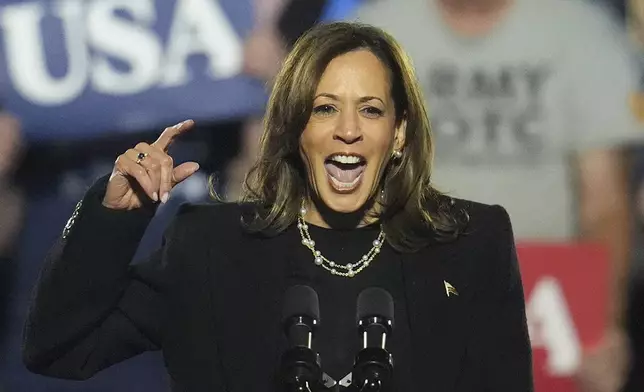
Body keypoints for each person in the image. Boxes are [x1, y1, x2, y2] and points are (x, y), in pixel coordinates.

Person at [22, 22, 533, 391]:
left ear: (398, 132)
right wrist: (114, 218)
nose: (348, 129)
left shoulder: (470, 243)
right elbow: (61, 348)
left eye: (371, 110)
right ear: (293, 128)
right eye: (324, 108)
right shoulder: (209, 247)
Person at [355, 0, 643, 391]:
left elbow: (607, 204)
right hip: (404, 301)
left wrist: (603, 328)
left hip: (547, 313)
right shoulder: (368, 36)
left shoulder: (584, 32)